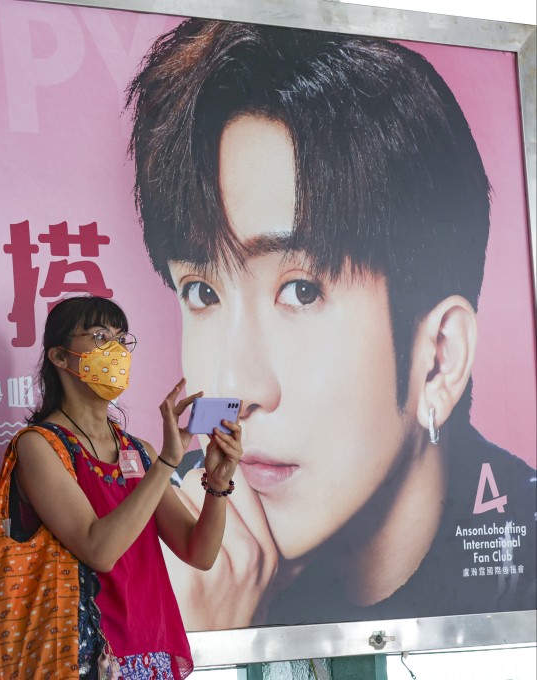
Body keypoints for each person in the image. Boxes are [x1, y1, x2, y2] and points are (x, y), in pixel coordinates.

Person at [126, 19, 536, 629]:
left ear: (438, 358)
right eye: (203, 291)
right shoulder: (167, 529)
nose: (234, 390)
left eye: (301, 290)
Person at [11, 295, 243, 678]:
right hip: (83, 658)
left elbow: (198, 552)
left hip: (151, 647)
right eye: (100, 337)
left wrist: (217, 486)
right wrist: (167, 462)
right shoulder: (39, 445)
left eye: (121, 338)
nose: (116, 350)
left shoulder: (139, 450)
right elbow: (99, 550)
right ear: (59, 357)